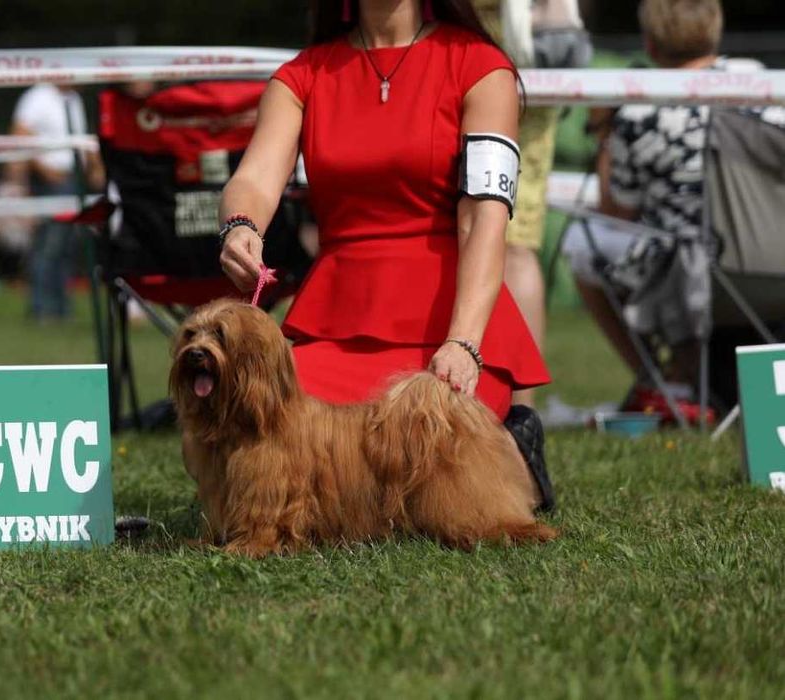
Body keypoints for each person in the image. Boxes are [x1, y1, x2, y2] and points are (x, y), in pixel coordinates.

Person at [218, 0, 555, 511]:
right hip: (336, 317)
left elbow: (483, 218)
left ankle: (514, 453)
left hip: (452, 320)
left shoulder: (482, 67)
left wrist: (463, 342)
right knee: (273, 435)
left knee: (432, 459)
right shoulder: (300, 77)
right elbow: (254, 179)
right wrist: (241, 227)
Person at [562, 0, 725, 419]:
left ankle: (660, 380)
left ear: (650, 45)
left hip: (684, 266)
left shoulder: (640, 110)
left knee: (582, 243)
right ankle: (682, 372)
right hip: (761, 266)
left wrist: (603, 131)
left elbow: (617, 211)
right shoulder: (763, 89)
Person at [472, 0, 588, 408]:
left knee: (510, 248)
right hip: (529, 71)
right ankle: (522, 406)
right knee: (517, 247)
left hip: (494, 63)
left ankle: (516, 404)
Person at [9, 83, 103, 320]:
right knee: (49, 246)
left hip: (74, 182)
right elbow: (20, 135)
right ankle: (42, 308)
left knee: (66, 247)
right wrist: (45, 171)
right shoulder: (38, 96)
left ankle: (61, 308)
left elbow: (81, 140)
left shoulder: (73, 99)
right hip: (52, 182)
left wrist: (93, 168)